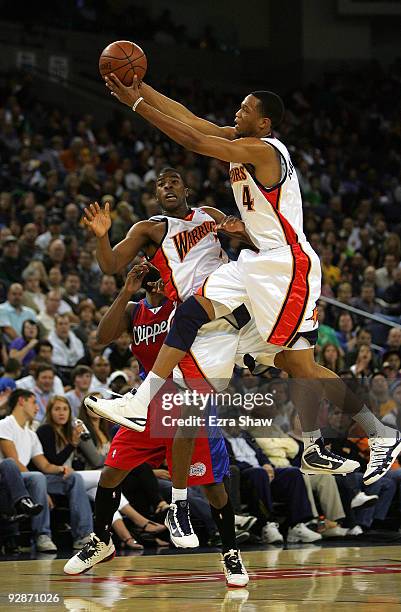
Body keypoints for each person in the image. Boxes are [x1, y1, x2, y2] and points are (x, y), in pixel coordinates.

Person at [97, 75, 401, 485]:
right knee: (192, 310)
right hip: (255, 261)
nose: (237, 113)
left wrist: (137, 108)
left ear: (265, 124)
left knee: (299, 364)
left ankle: (379, 433)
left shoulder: (263, 151)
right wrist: (141, 90)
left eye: (246, 110)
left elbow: (196, 141)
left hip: (285, 266)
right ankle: (142, 399)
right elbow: (191, 120)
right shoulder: (242, 142)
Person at [65, 265, 249, 587]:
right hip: (149, 403)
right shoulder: (136, 310)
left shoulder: (187, 304)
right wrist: (125, 291)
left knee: (212, 485)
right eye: (152, 272)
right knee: (111, 471)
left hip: (191, 400)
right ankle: (101, 540)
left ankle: (231, 553)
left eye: (161, 270)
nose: (157, 277)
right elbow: (101, 339)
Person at [0, 389, 93, 552]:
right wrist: (42, 489)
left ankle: (83, 536)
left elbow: (44, 466)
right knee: (38, 478)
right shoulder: (5, 424)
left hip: (31, 478)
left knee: (74, 478)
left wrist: (62, 469)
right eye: (34, 402)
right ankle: (42, 535)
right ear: (22, 401)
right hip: (8, 478)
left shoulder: (31, 434)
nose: (37, 408)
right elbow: (13, 461)